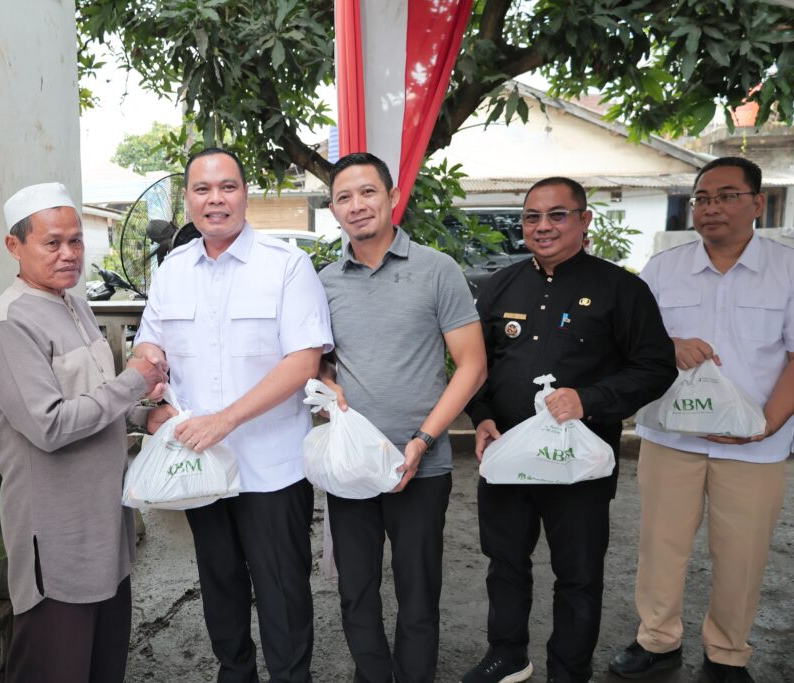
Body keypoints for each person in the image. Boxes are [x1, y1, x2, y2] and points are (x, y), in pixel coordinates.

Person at [463, 177, 677, 683]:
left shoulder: (622, 289)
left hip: (580, 459)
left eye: (557, 215)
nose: (543, 226)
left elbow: (656, 367)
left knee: (578, 573)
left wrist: (590, 399)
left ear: (584, 220)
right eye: (532, 216)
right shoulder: (499, 287)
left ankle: (569, 669)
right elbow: (475, 364)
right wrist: (482, 415)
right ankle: (508, 655)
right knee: (504, 562)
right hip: (509, 453)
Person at [133, 148, 333, 683]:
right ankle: (234, 673)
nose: (215, 199)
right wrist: (152, 386)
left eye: (227, 187)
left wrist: (224, 420)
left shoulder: (285, 265)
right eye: (202, 189)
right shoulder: (173, 270)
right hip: (200, 466)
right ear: (187, 199)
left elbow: (303, 363)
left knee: (283, 592)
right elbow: (149, 346)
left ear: (245, 194)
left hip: (272, 467)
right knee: (219, 586)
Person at [0, 182, 172, 683]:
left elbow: (94, 397)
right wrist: (134, 382)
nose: (69, 254)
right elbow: (50, 424)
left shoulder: (74, 305)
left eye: (76, 240)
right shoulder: (8, 325)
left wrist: (141, 417)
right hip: (57, 537)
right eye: (52, 243)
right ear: (14, 246)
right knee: (56, 668)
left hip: (105, 527)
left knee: (105, 666)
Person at [608, 157, 794, 683]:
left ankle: (728, 652)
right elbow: (627, 340)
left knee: (743, 555)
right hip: (672, 437)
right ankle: (657, 641)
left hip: (756, 445)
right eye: (703, 199)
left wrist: (766, 426)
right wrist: (668, 345)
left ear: (757, 203)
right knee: (660, 546)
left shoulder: (787, 269)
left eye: (727, 196)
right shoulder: (663, 269)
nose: (712, 208)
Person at [316, 152, 487, 682]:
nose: (357, 205)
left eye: (368, 192)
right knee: (356, 589)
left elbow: (473, 365)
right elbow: (317, 359)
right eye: (344, 197)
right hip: (352, 464)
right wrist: (325, 379)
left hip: (422, 461)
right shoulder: (324, 281)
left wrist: (423, 440)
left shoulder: (437, 269)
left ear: (392, 197)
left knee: (418, 591)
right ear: (333, 209)